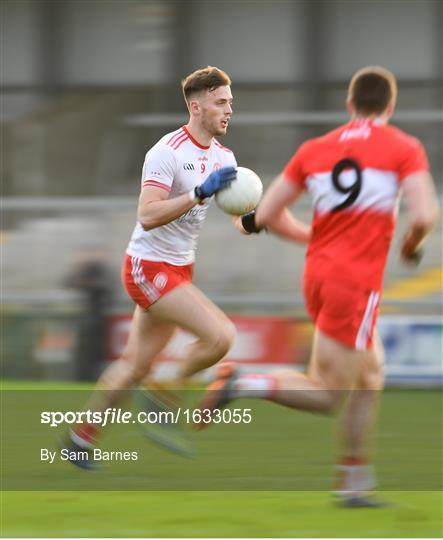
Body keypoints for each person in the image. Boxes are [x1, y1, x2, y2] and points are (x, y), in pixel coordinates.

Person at [197, 66, 439, 506]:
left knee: (370, 375)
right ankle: (243, 384)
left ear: (350, 106)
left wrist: (247, 222)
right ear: (390, 106)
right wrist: (410, 245)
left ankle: (353, 482)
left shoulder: (315, 149)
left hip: (318, 276)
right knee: (329, 394)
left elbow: (265, 215)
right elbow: (424, 215)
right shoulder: (404, 147)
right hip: (355, 284)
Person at [64, 66, 238, 467]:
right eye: (221, 103)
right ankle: (164, 395)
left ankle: (80, 439)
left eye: (230, 102)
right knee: (220, 337)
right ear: (196, 106)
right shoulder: (167, 151)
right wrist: (198, 192)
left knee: (135, 365)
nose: (229, 110)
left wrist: (250, 218)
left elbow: (232, 210)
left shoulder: (225, 156)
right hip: (148, 267)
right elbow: (147, 214)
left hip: (180, 267)